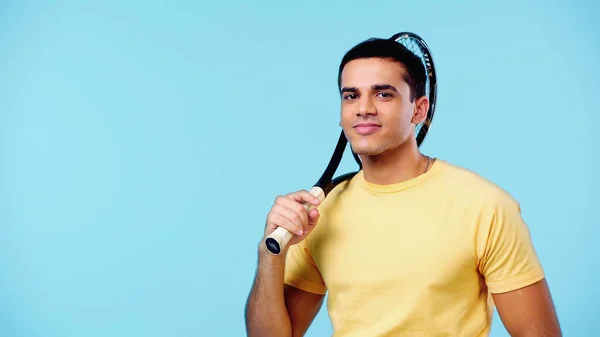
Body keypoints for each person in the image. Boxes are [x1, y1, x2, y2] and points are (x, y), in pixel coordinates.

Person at [244, 37, 562, 337]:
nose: (363, 108)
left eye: (383, 94)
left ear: (419, 110)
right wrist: (270, 254)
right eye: (351, 95)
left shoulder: (485, 206)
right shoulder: (319, 214)